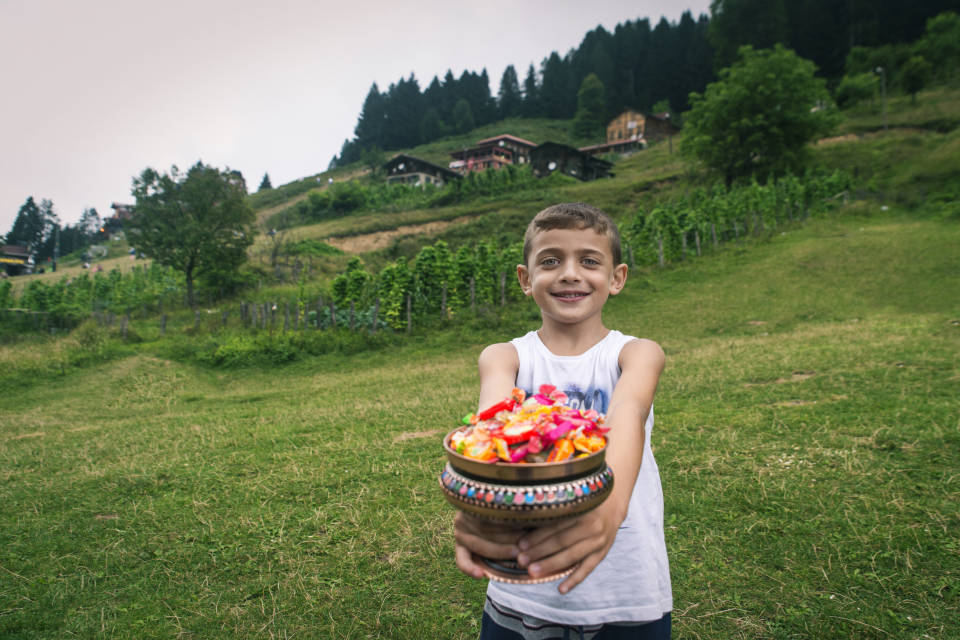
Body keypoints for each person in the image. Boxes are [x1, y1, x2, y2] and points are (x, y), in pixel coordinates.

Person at [454, 202, 672, 639]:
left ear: (617, 278)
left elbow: (627, 416)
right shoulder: (505, 357)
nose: (570, 273)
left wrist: (608, 515)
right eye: (550, 261)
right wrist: (476, 505)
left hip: (625, 590)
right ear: (525, 278)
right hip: (522, 586)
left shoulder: (636, 353)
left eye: (589, 261)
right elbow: (488, 435)